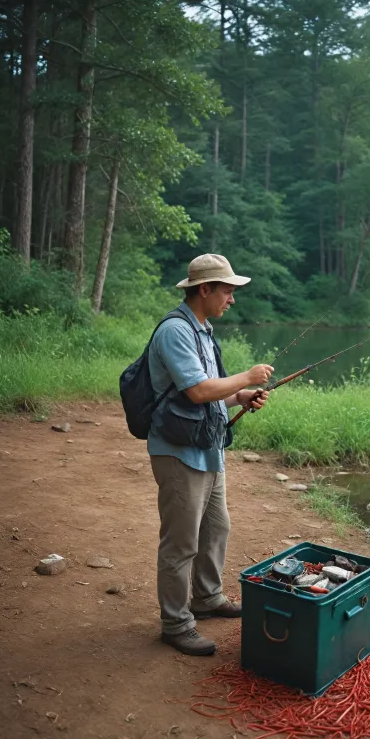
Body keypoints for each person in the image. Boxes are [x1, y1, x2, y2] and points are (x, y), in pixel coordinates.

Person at [148, 253, 274, 656]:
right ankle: (175, 623)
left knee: (216, 528)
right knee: (181, 543)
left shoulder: (203, 330)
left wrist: (242, 395)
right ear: (205, 290)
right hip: (179, 453)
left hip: (207, 450)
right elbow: (198, 391)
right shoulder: (175, 331)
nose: (232, 299)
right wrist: (248, 376)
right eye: (227, 291)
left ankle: (206, 598)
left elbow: (214, 389)